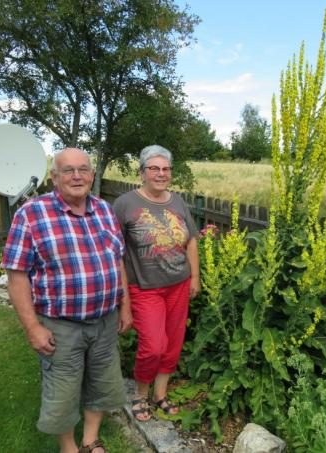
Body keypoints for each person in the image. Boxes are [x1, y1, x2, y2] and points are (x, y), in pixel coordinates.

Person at [1, 147, 132, 453]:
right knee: (63, 391)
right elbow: (16, 276)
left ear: (92, 174)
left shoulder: (104, 210)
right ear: (54, 177)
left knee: (102, 383)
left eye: (83, 169)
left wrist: (124, 305)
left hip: (105, 321)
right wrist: (33, 328)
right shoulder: (31, 214)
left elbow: (118, 261)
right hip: (60, 326)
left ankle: (90, 440)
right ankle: (68, 447)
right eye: (68, 170)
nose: (77, 176)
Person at [113, 145, 200, 422]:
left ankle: (160, 394)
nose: (161, 174)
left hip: (178, 285)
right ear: (142, 172)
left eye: (165, 169)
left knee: (173, 344)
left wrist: (195, 277)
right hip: (145, 287)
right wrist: (122, 298)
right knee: (153, 346)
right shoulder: (125, 204)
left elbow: (192, 240)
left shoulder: (178, 202)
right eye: (154, 168)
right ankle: (140, 394)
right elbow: (116, 251)